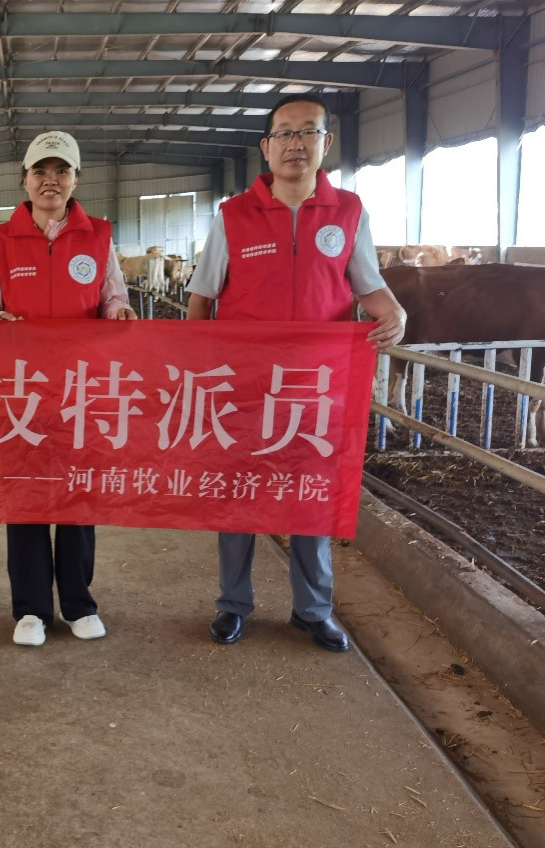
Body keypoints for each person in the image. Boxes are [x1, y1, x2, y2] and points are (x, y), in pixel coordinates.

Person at [185, 93, 406, 653]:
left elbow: (368, 285)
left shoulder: (349, 212)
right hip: (242, 387)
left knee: (311, 495)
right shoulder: (233, 216)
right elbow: (202, 297)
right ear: (266, 147)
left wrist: (396, 313)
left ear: (325, 143)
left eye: (307, 132)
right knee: (239, 496)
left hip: (315, 387)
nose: (295, 144)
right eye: (284, 133)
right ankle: (233, 604)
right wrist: (199, 367)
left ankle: (313, 610)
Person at [0, 131, 137, 648]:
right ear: (24, 180)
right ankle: (30, 610)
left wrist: (120, 312)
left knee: (77, 497)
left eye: (61, 171)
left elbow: (113, 296)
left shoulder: (99, 236)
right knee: (25, 497)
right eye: (40, 171)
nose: (51, 180)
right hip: (20, 391)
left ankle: (78, 603)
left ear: (75, 179)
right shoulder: (0, 240)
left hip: (81, 389)